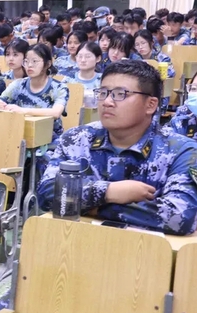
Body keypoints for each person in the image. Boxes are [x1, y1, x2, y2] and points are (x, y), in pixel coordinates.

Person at [39, 61, 197, 235]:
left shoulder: (182, 150)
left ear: (151, 105)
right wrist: (108, 192)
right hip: (77, 240)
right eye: (103, 93)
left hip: (143, 248)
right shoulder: (76, 139)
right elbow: (47, 194)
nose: (107, 102)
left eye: (120, 94)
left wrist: (95, 207)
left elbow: (180, 216)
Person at [0, 44, 69, 141]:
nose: (30, 65)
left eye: (34, 61)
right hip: (19, 135)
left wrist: (23, 111)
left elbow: (56, 112)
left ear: (48, 64)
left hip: (50, 139)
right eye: (26, 61)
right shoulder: (18, 84)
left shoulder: (59, 87)